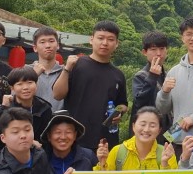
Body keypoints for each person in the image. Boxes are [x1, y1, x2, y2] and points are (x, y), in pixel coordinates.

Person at [52, 20, 129, 151]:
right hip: (75, 139)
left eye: (110, 39)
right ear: (91, 40)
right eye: (100, 38)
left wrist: (119, 112)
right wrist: (66, 69)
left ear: (116, 44)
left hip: (105, 142)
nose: (105, 43)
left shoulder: (118, 75)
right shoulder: (76, 65)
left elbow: (123, 103)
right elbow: (57, 95)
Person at [95, 107, 177, 170]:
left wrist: (165, 164)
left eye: (152, 126)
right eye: (142, 124)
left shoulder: (166, 154)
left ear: (159, 130)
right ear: (133, 126)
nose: (146, 129)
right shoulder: (118, 152)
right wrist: (102, 162)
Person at [131, 31, 170, 134]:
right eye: (153, 49)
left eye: (162, 48)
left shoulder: (168, 75)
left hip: (166, 132)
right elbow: (139, 103)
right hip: (146, 132)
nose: (159, 53)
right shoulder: (141, 76)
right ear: (144, 52)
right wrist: (152, 76)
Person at [42, 110, 97, 174]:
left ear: (75, 135)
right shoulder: (41, 160)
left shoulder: (88, 156)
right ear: (49, 136)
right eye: (58, 132)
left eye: (68, 132)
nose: (63, 137)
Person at [31, 26, 64, 111]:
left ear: (58, 45)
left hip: (59, 118)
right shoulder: (25, 71)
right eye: (42, 42)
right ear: (35, 48)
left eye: (51, 41)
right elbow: (15, 98)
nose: (48, 46)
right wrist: (33, 76)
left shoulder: (66, 72)